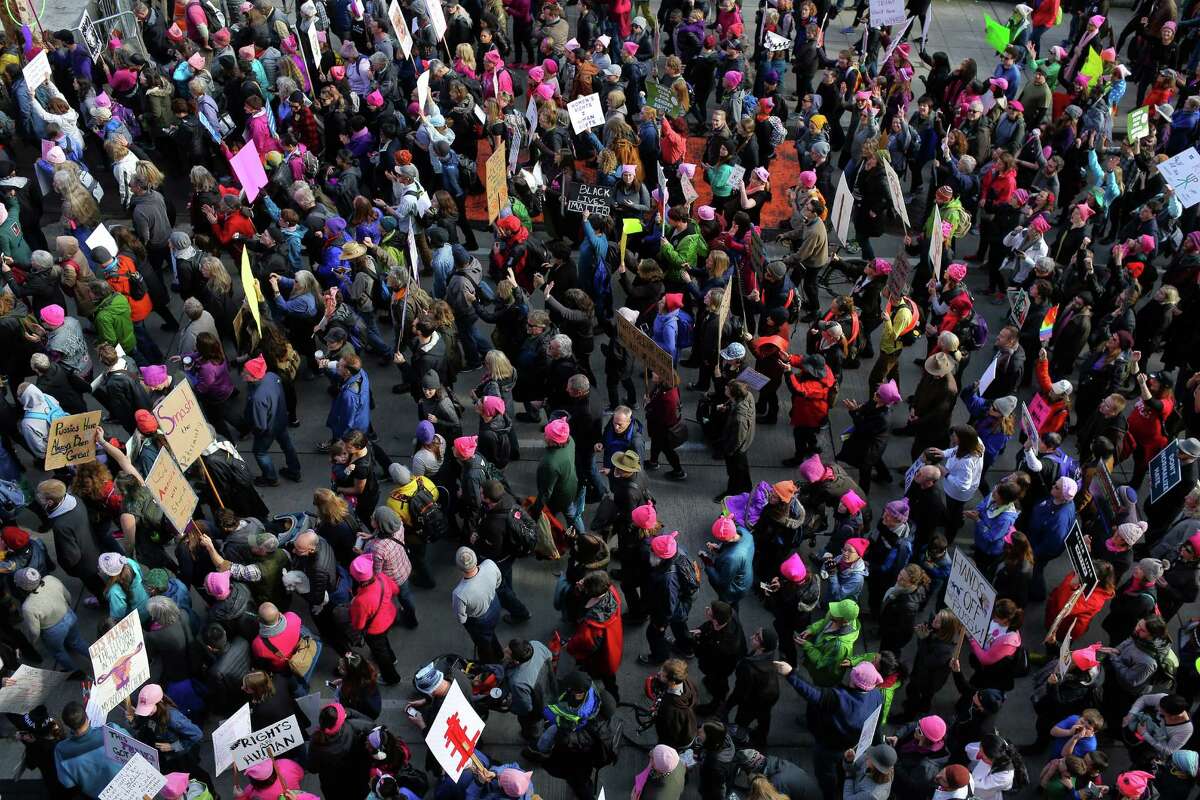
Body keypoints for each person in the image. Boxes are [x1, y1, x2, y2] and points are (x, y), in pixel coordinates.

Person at [451, 546, 504, 663]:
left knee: (484, 644)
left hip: (480, 619)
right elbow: (498, 581)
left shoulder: (459, 593)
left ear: (459, 567)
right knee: (490, 632)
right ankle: (499, 653)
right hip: (495, 605)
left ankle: (489, 664)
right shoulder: (489, 564)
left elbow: (461, 618)